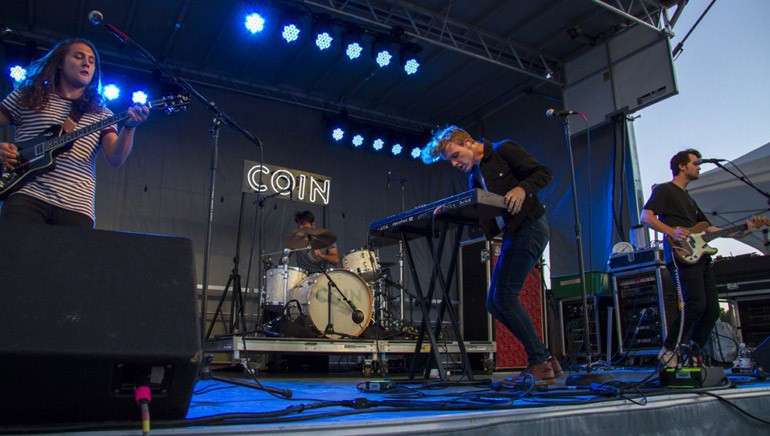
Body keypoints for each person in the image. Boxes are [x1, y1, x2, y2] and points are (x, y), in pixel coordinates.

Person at [422, 125, 561, 383]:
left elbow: (544, 172)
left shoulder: (502, 149)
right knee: (493, 303)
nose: (454, 163)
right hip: (513, 233)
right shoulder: (474, 177)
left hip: (530, 227)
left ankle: (538, 362)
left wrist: (522, 189)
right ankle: (548, 358)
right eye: (449, 160)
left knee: (505, 298)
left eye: (455, 156)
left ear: (469, 143)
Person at [0, 38, 150, 228]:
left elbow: (115, 158)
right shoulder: (27, 97)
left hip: (77, 207)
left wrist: (130, 127)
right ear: (60, 63)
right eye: (79, 57)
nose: (86, 62)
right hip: (26, 196)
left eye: (91, 60)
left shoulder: (103, 114)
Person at [641, 149, 757, 368]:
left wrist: (745, 229)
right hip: (681, 254)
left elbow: (711, 228)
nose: (699, 167)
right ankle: (669, 348)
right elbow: (646, 216)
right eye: (696, 163)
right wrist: (672, 232)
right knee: (695, 304)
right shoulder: (666, 189)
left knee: (712, 309)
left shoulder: (689, 199)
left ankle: (692, 351)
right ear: (682, 166)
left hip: (700, 257)